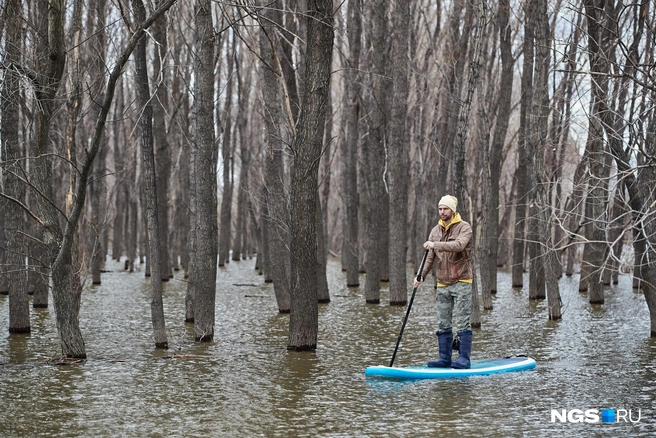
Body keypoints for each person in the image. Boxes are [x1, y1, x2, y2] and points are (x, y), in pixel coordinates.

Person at [413, 195, 473, 369]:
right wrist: (420, 275)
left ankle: (464, 359)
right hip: (442, 283)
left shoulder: (464, 228)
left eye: (445, 209)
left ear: (452, 210)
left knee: (462, 321)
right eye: (440, 209)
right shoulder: (435, 230)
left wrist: (435, 244)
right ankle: (445, 358)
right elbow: (429, 257)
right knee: (443, 322)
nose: (442, 212)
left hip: (462, 279)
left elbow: (459, 246)